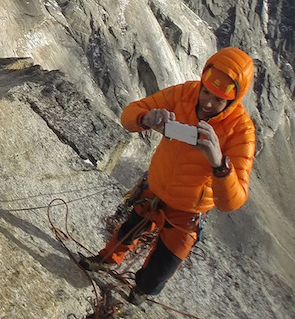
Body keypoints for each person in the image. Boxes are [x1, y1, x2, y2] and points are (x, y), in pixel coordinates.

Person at [78, 46, 255, 306]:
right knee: (127, 232)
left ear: (233, 100)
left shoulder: (241, 131)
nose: (207, 102)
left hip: (188, 211)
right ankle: (106, 261)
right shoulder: (184, 93)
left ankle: (141, 292)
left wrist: (219, 163)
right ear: (202, 81)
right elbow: (128, 116)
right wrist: (145, 118)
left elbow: (231, 202)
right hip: (155, 188)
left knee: (161, 268)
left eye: (218, 100)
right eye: (206, 91)